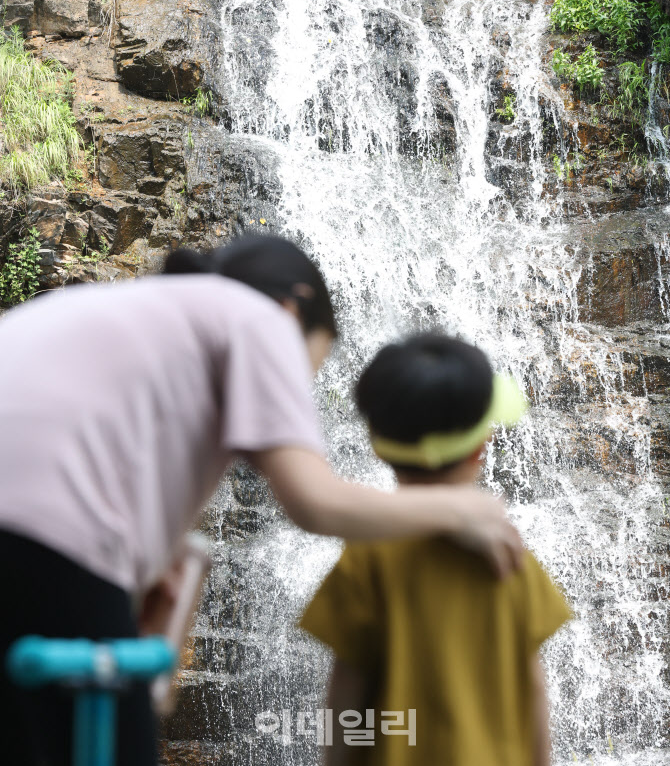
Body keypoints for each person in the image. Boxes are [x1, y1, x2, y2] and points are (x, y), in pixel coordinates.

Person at [0, 235, 522, 766]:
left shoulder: (112, 313)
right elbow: (313, 502)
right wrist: (464, 509)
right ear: (294, 306)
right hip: (45, 537)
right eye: (307, 370)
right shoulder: (262, 318)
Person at [299, 333, 573, 766]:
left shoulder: (368, 557)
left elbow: (346, 696)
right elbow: (534, 689)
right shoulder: (507, 554)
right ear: (480, 448)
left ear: (375, 443)